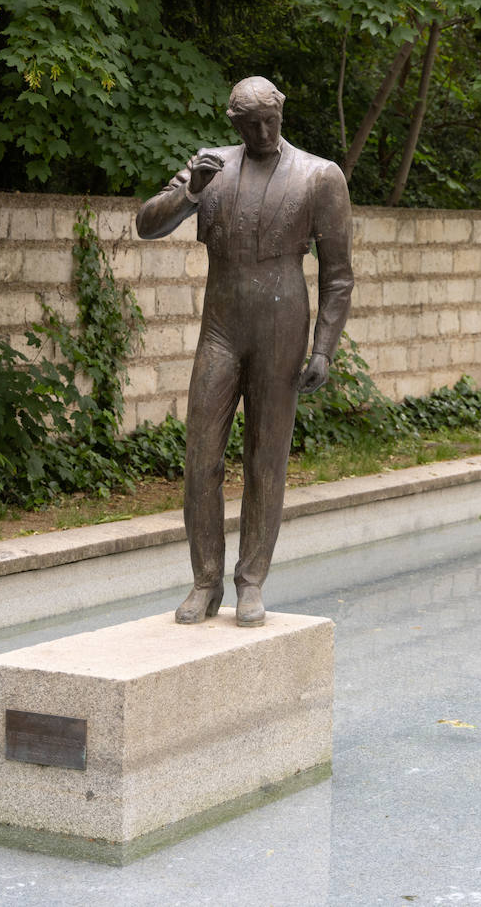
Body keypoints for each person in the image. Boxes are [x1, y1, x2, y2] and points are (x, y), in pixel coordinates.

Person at [136, 76, 354, 627]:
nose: (261, 132)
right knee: (200, 457)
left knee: (266, 460)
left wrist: (323, 349)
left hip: (282, 328)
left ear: (281, 113)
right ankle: (204, 580)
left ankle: (250, 581)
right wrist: (189, 193)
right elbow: (146, 225)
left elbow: (338, 275)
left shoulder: (319, 176)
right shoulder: (211, 167)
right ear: (233, 121)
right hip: (222, 330)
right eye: (250, 123)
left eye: (270, 121)